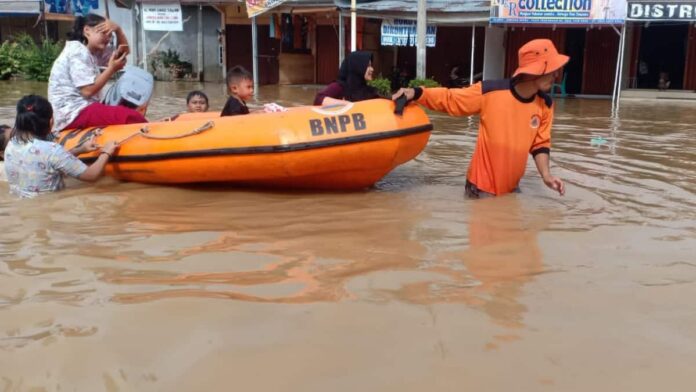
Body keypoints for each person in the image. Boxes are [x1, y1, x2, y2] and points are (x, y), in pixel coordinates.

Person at [393, 39, 568, 198]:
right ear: (533, 72)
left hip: (511, 188)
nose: (556, 76)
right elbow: (451, 99)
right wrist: (416, 92)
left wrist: (546, 176)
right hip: (481, 188)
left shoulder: (545, 104)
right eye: (552, 70)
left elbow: (540, 143)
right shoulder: (490, 91)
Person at [3, 95, 118, 198]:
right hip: (48, 207)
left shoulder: (11, 145)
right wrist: (106, 153)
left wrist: (80, 150)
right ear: (51, 121)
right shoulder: (52, 150)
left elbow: (46, 162)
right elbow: (91, 176)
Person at [48, 14, 146, 133]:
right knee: (129, 116)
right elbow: (87, 91)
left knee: (131, 104)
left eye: (110, 35)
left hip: (84, 107)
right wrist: (111, 69)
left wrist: (118, 31)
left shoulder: (93, 52)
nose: (108, 39)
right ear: (87, 31)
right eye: (104, 33)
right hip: (72, 112)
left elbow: (123, 53)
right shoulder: (78, 51)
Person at [313, 51, 379, 105]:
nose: (372, 69)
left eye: (371, 66)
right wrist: (346, 104)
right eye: (368, 66)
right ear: (357, 67)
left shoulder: (367, 90)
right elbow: (318, 99)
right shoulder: (340, 86)